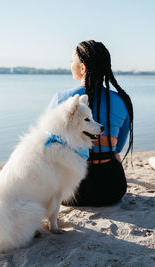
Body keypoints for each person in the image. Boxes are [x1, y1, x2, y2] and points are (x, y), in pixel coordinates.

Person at [48, 40, 133, 207]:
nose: (70, 65)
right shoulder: (122, 101)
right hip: (112, 189)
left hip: (72, 192)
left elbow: (50, 143)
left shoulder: (61, 99)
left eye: (72, 61)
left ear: (82, 68)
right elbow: (117, 149)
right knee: (112, 152)